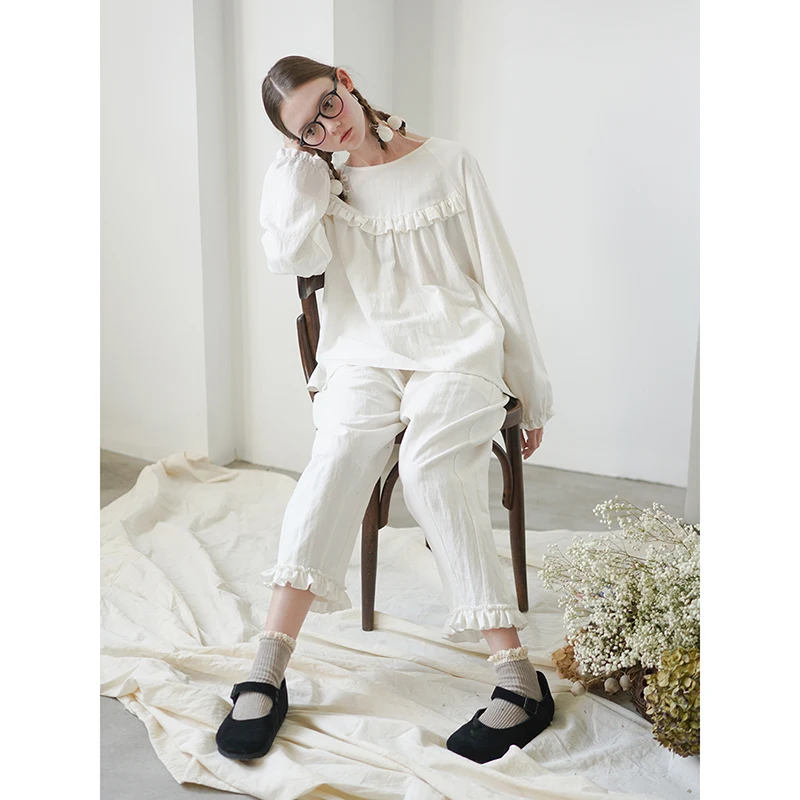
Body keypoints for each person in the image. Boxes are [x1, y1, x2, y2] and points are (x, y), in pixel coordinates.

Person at [216, 56, 556, 765]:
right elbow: (288, 256)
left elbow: (501, 277)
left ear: (344, 80)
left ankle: (519, 681)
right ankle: (268, 667)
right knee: (336, 456)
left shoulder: (449, 163)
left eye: (326, 105)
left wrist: (529, 390)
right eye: (307, 130)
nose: (327, 127)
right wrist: (300, 174)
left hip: (456, 349)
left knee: (431, 468)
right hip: (362, 353)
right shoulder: (319, 181)